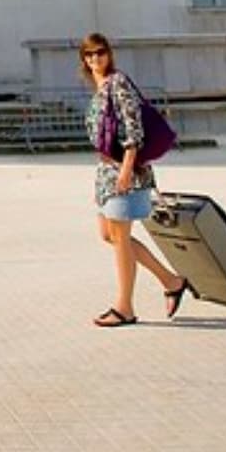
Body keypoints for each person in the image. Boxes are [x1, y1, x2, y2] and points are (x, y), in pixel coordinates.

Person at [81, 32, 188, 327]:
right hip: (106, 172)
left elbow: (133, 127)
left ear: (109, 54)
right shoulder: (99, 87)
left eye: (100, 53)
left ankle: (125, 306)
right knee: (109, 236)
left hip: (123, 170)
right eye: (89, 55)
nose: (95, 59)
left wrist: (127, 168)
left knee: (121, 238)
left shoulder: (118, 82)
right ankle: (172, 280)